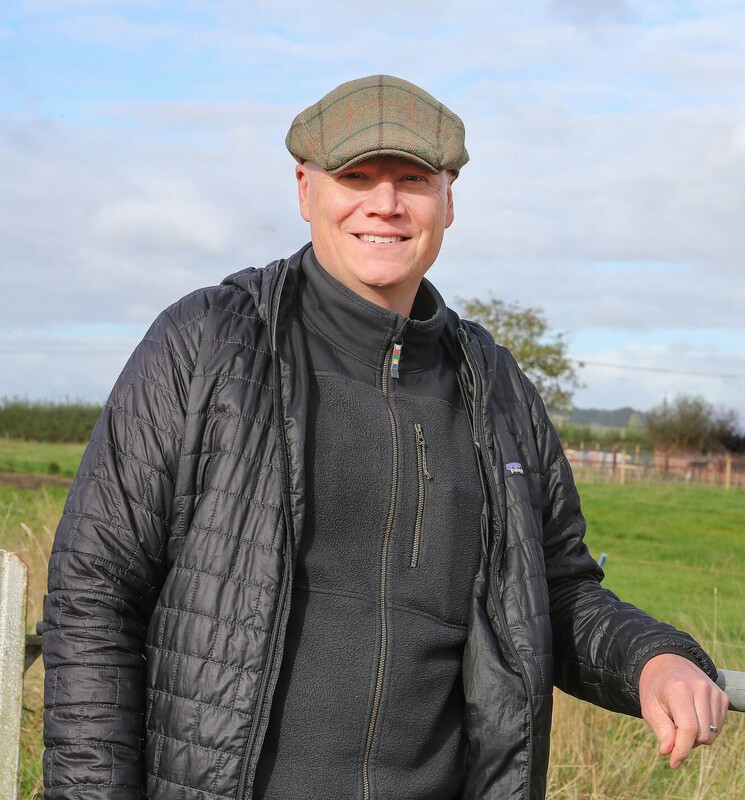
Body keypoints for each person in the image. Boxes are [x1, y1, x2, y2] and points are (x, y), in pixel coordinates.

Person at [42, 75, 728, 800]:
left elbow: (552, 593)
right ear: (306, 191)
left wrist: (653, 659)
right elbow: (95, 592)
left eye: (411, 179)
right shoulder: (208, 342)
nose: (385, 204)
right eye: (355, 176)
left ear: (449, 200)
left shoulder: (496, 386)